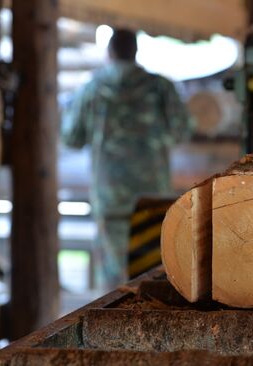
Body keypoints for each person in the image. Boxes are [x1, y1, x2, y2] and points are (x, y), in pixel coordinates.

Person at [61, 29, 193, 290]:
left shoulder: (92, 88)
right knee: (153, 274)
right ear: (136, 52)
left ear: (110, 52)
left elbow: (71, 138)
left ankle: (107, 328)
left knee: (112, 279)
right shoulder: (160, 87)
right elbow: (182, 131)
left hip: (108, 194)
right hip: (152, 192)